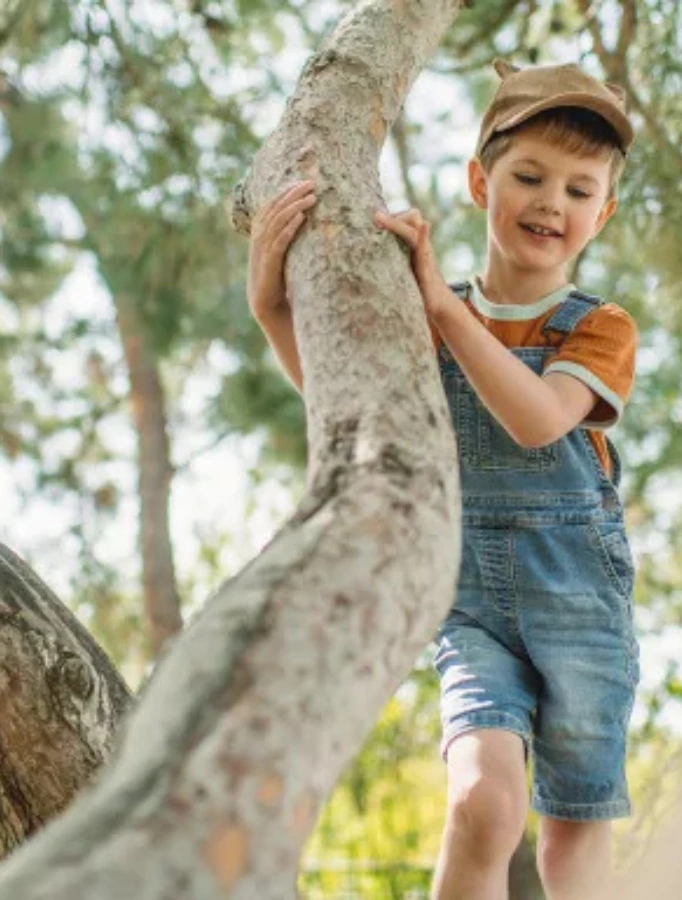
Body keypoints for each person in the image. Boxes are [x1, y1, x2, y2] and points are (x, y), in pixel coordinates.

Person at [246, 60, 642, 900]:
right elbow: (347, 396)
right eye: (529, 176)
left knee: (573, 848)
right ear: (479, 181)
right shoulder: (430, 307)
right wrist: (272, 309)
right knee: (481, 806)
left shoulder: (599, 327)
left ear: (601, 214)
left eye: (579, 191)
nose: (551, 204)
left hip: (581, 602)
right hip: (468, 601)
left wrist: (444, 309)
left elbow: (537, 420)